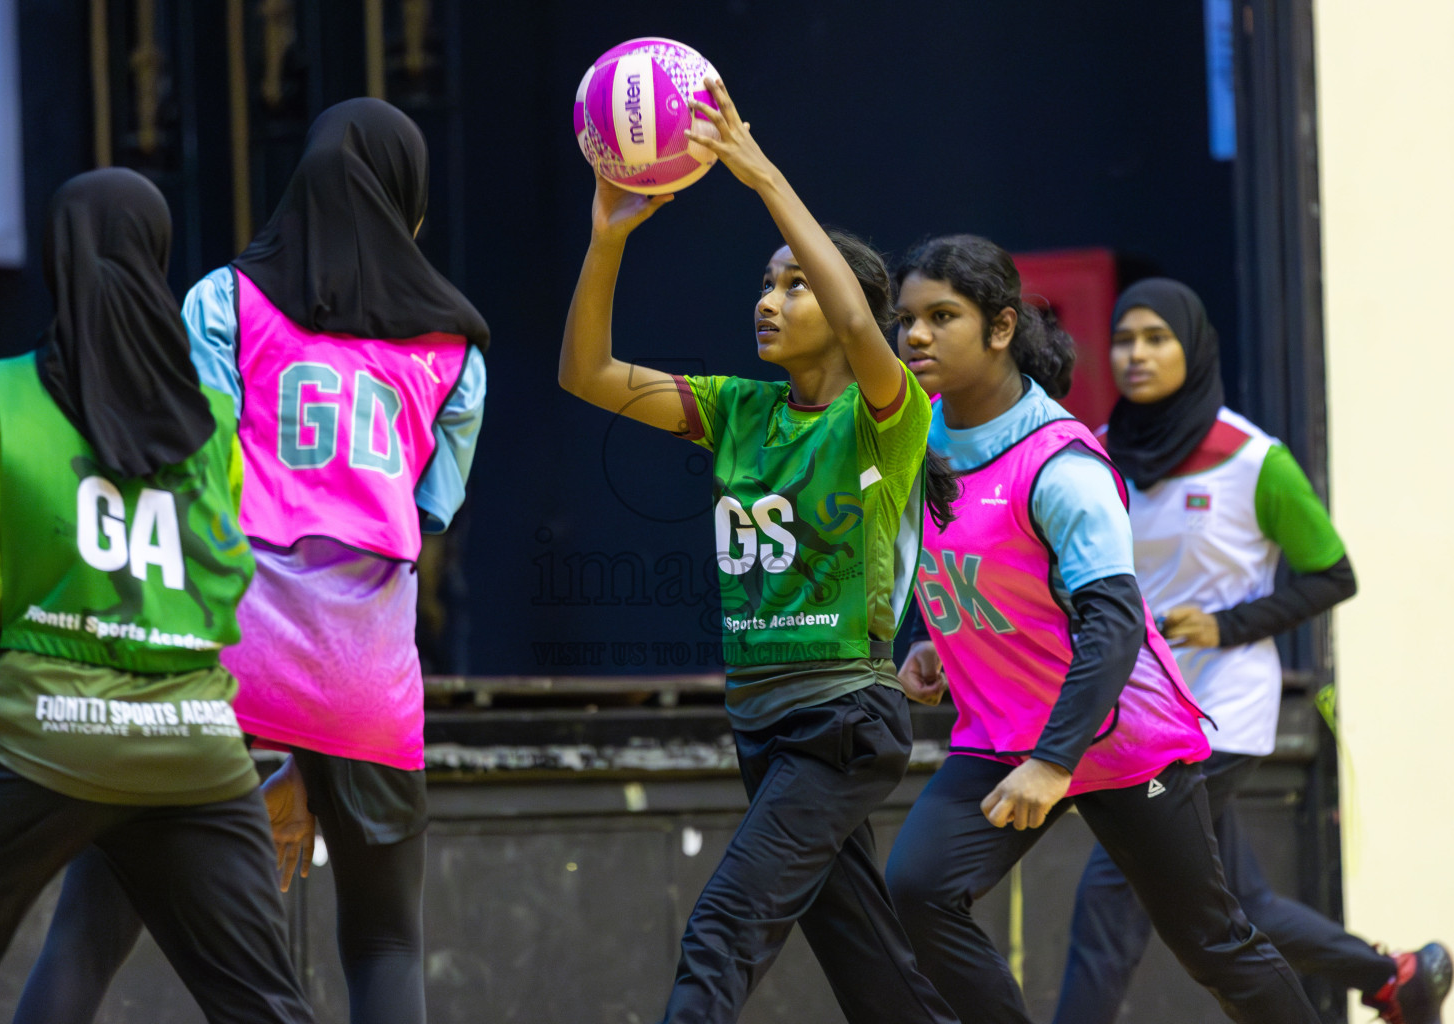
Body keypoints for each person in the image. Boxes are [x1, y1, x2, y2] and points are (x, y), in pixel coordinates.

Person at [12, 99, 489, 1024]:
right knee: (388, 944)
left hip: (221, 661)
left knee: (89, 928)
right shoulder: (456, 349)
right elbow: (433, 507)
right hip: (365, 685)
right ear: (410, 205)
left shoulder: (224, 301)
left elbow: (194, 479)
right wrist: (311, 755)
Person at [559, 77, 959, 1024]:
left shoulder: (887, 416)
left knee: (720, 931)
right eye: (764, 283)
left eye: (793, 284)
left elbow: (861, 324)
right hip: (762, 722)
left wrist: (761, 174)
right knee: (873, 973)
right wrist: (607, 237)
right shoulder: (736, 410)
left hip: (840, 719)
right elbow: (586, 373)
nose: (767, 300)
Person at [882, 234, 1323, 1024]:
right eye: (906, 318)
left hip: (1117, 737)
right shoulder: (921, 438)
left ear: (1000, 327)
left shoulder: (1063, 464)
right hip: (1004, 730)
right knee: (917, 887)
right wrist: (937, 636)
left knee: (1211, 945)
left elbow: (1114, 625)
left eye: (940, 316)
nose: (914, 335)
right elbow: (973, 565)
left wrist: (1053, 762)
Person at [0, 169, 314, 1024]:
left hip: (43, 735)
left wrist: (21, 646)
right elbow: (229, 576)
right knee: (264, 1005)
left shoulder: (5, 396)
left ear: (60, 257)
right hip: (193, 745)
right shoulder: (212, 417)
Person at [1052, 278, 1451, 1024]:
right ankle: (1395, 980)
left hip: (1219, 711)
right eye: (1124, 339)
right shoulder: (1094, 453)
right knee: (1239, 899)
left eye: (1156, 339)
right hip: (1137, 711)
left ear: (1193, 348)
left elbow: (1333, 575)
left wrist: (1224, 625)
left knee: (1114, 889)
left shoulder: (1253, 459)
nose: (1136, 354)